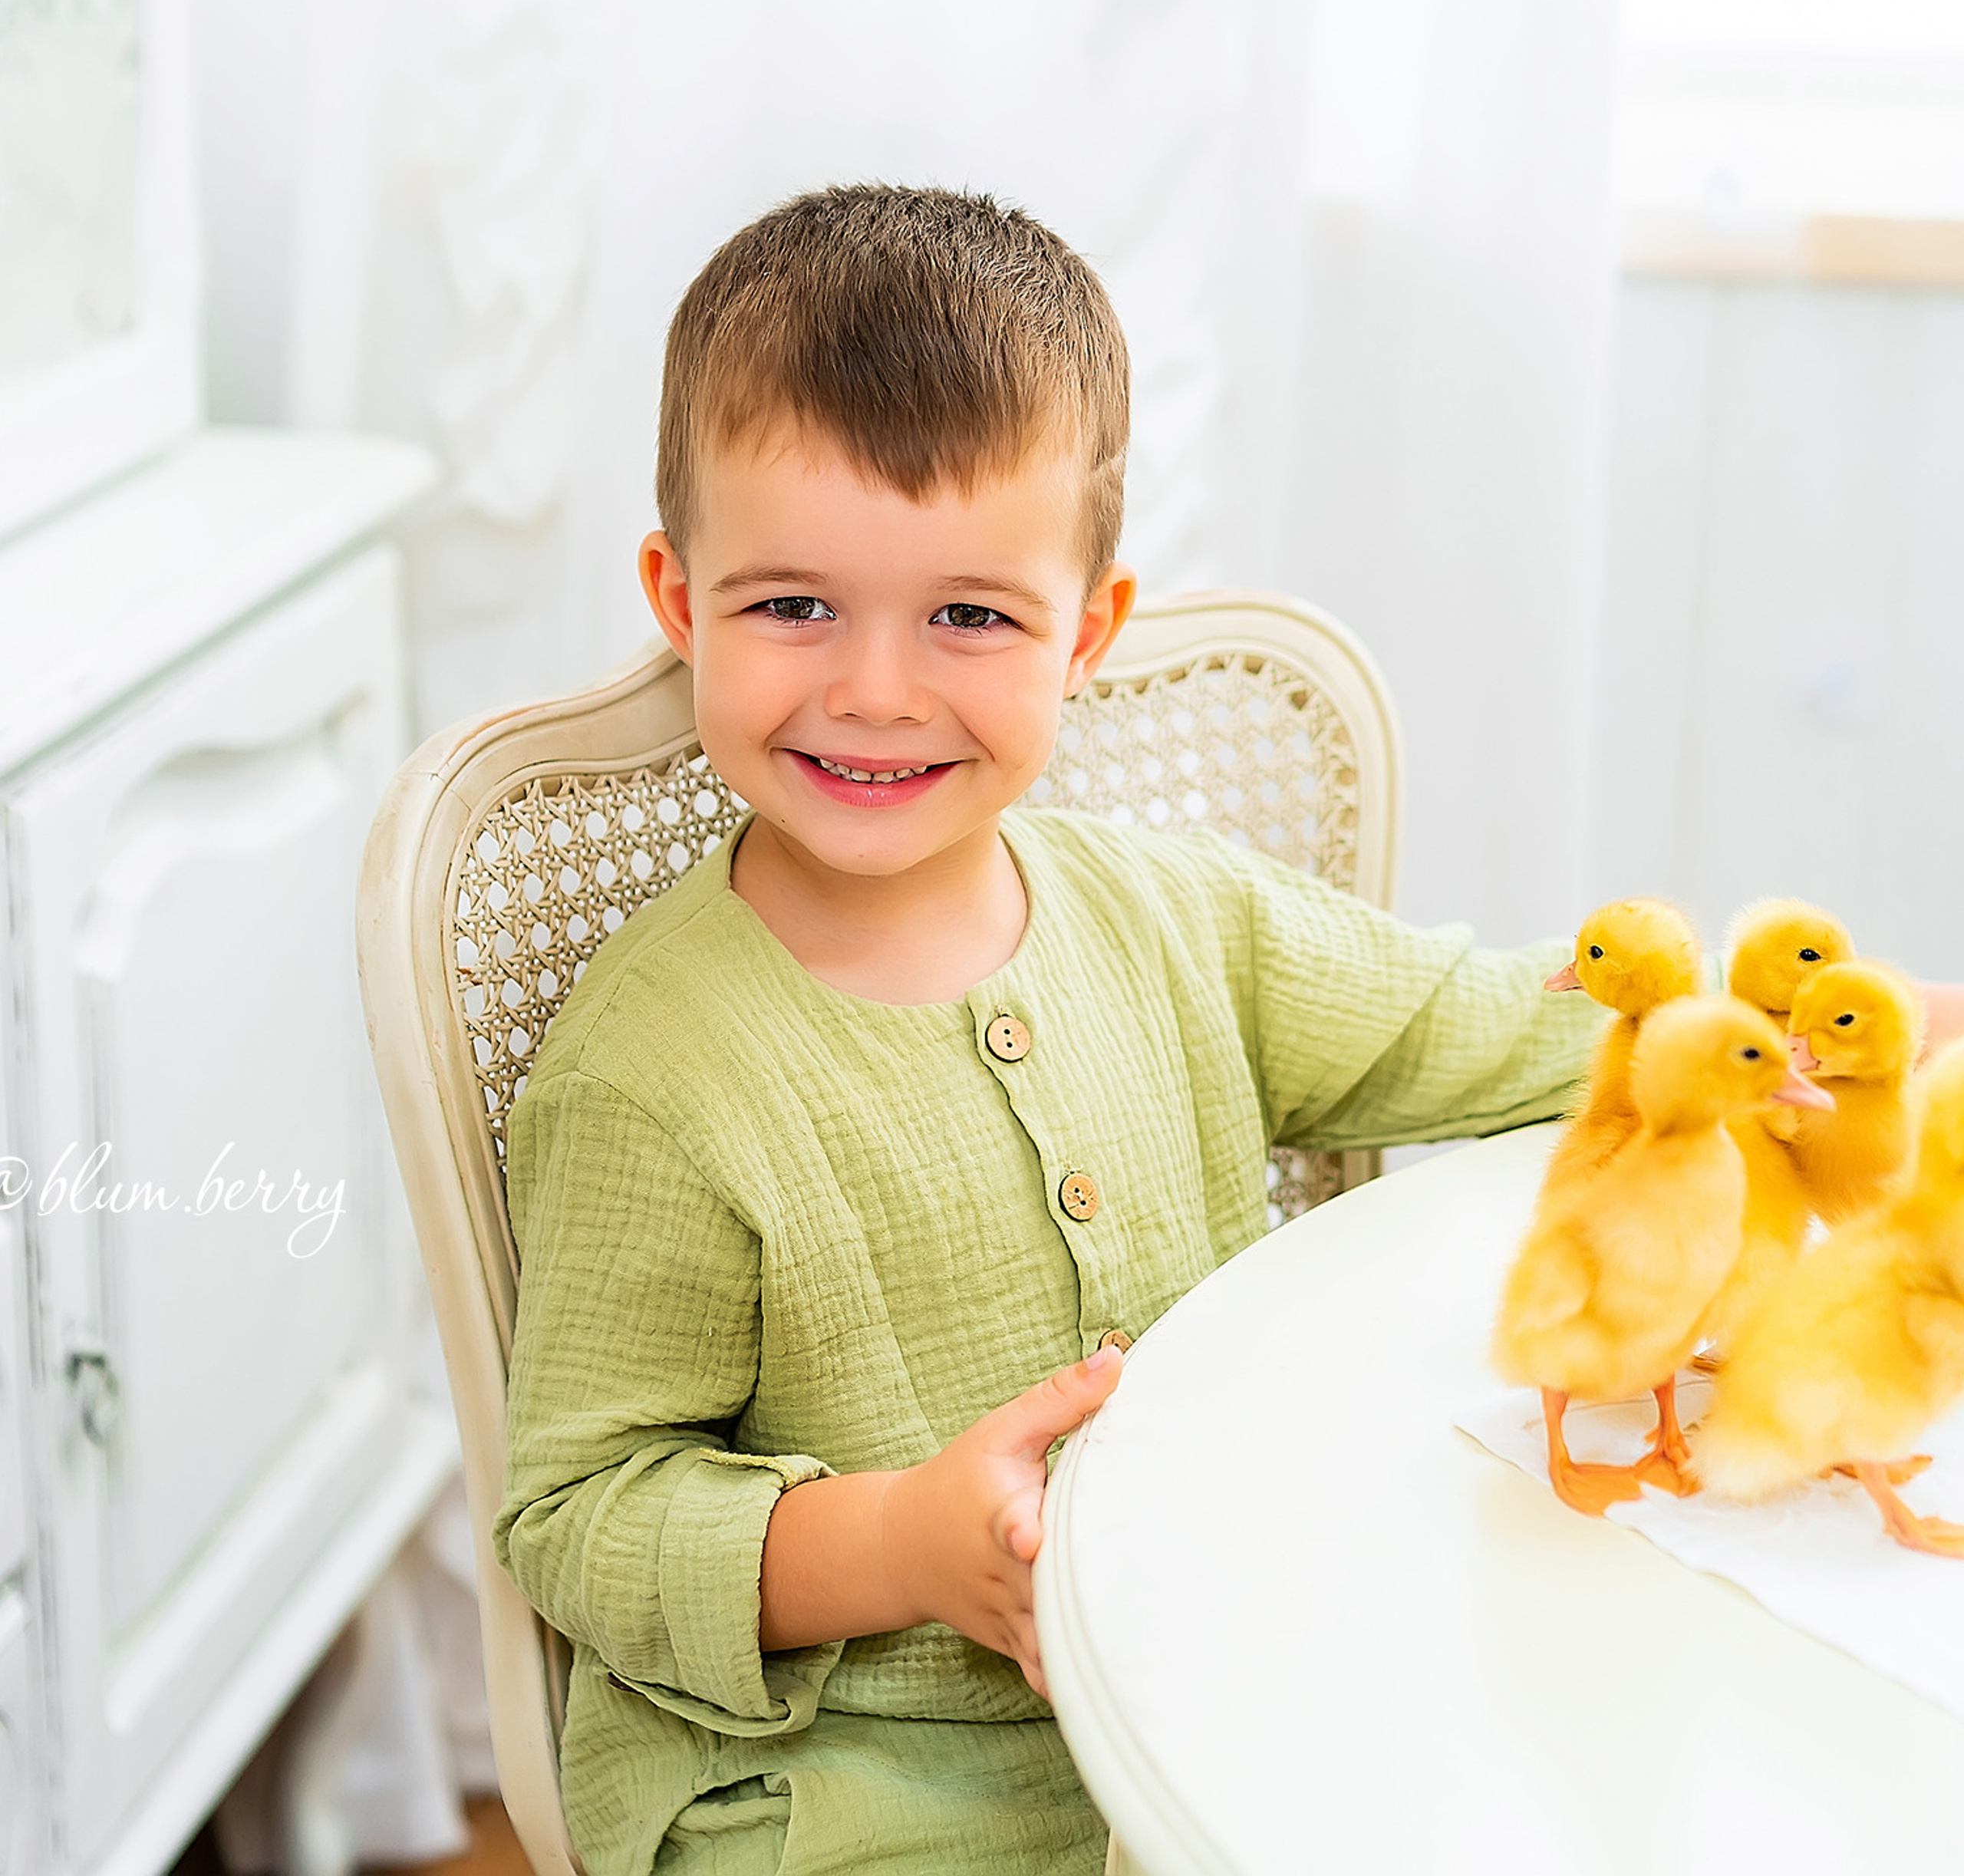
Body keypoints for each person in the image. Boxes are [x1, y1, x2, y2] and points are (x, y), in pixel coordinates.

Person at [493, 183, 1605, 1875]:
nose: (874, 688)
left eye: (968, 615)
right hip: (862, 1786)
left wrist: (1801, 1028)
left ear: (1084, 629)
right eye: (793, 604)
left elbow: (1469, 1020)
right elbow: (580, 1514)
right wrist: (898, 1544)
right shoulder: (651, 1072)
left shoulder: (1177, 917)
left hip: (1220, 1673)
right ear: (679, 594)